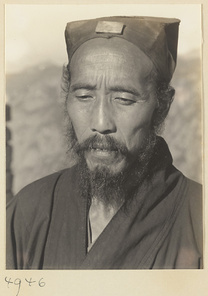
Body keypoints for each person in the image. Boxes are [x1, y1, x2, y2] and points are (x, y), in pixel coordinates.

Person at [6, 16, 202, 269]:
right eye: (84, 96)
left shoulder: (198, 219)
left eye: (123, 99)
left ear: (162, 106)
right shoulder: (29, 210)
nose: (100, 122)